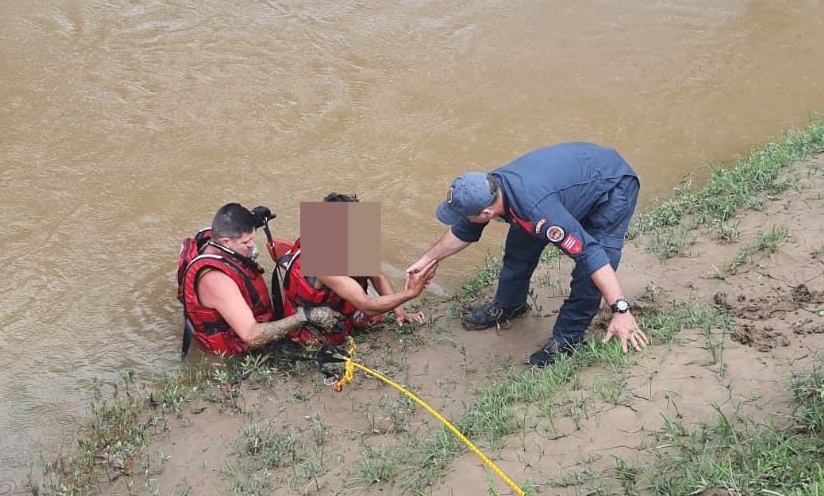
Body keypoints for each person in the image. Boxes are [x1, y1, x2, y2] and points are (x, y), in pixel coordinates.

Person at [406, 142, 648, 367]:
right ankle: (510, 305)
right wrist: (429, 259)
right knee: (519, 248)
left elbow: (592, 255)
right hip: (573, 179)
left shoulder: (538, 212)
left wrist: (621, 310)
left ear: (488, 212)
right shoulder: (489, 188)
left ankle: (568, 340)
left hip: (613, 186)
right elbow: (466, 229)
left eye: (467, 215)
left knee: (587, 272)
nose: (465, 219)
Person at [178, 203, 341, 356]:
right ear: (225, 242)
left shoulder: (219, 239)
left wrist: (254, 219)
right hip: (236, 349)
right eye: (246, 242)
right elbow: (251, 336)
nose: (252, 246)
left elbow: (235, 226)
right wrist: (304, 316)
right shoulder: (216, 281)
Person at [278, 193, 435, 346]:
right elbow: (367, 305)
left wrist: (400, 313)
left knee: (373, 313)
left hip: (340, 309)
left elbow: (377, 277)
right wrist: (410, 293)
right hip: (313, 329)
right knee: (371, 311)